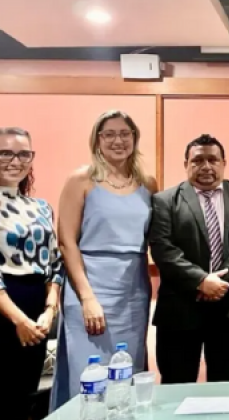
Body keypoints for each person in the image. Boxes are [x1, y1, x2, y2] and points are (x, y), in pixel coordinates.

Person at [51, 110, 157, 410]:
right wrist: (87, 298)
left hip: (134, 290)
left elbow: (157, 239)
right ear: (97, 139)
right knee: (89, 375)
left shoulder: (147, 183)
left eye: (125, 134)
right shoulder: (81, 179)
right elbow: (66, 242)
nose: (117, 140)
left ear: (135, 139)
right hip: (90, 285)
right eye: (109, 134)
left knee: (128, 372)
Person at [148, 134, 229, 384]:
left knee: (226, 385)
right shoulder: (165, 201)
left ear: (223, 163)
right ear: (186, 164)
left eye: (213, 159)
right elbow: (163, 249)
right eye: (198, 160)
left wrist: (219, 283)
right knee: (176, 386)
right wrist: (201, 281)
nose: (206, 167)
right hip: (180, 308)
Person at [0, 128, 63, 420]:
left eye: (24, 153)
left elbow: (54, 262)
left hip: (37, 306)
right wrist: (19, 319)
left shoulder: (41, 207)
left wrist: (50, 310)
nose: (16, 160)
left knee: (27, 394)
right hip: (6, 307)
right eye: (5, 153)